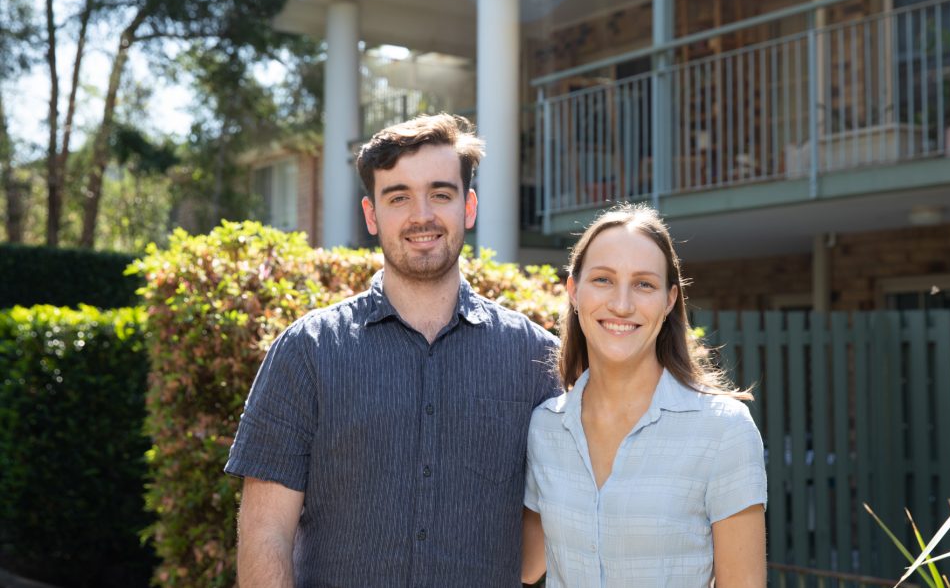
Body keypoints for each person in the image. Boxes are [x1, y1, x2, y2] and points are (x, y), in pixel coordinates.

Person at [225, 113, 560, 587]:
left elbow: (545, 546)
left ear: (468, 207)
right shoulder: (307, 352)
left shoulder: (536, 360)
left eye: (440, 194)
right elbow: (265, 532)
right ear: (371, 215)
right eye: (398, 196)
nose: (421, 215)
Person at [522, 204, 767, 587]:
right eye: (602, 280)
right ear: (573, 291)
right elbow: (523, 564)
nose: (621, 304)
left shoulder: (723, 430)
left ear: (669, 301)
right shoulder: (544, 427)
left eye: (644, 284)